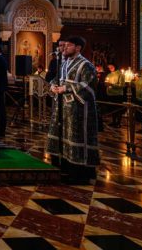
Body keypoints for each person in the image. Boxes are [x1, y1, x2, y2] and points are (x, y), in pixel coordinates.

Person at [46, 36, 99, 184]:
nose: (65, 48)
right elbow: (56, 79)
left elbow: (89, 86)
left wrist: (66, 88)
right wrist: (53, 86)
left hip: (78, 110)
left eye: (68, 46)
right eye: (65, 46)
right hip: (62, 108)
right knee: (62, 136)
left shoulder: (85, 65)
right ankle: (63, 168)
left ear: (78, 48)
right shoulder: (64, 64)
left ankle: (79, 174)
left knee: (76, 138)